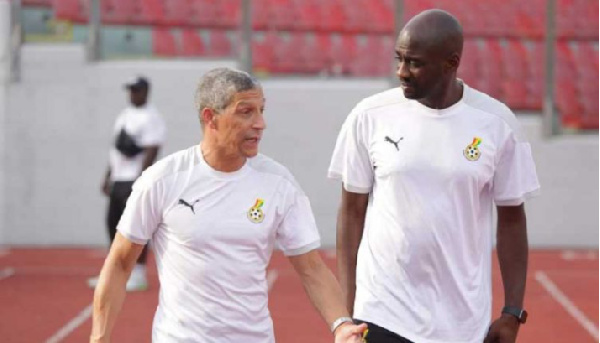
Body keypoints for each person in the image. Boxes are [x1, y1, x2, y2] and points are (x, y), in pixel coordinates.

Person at [90, 68, 367, 342]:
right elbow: (120, 263)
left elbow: (312, 267)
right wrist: (99, 338)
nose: (260, 123)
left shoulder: (279, 184)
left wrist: (341, 324)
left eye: (261, 110)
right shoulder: (163, 180)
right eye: (246, 112)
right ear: (210, 117)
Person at [328, 9, 540, 343]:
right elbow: (351, 212)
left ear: (451, 62)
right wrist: (346, 313)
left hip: (461, 323)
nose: (402, 71)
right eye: (398, 59)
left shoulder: (497, 124)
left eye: (414, 62)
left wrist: (512, 311)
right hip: (381, 312)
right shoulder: (369, 116)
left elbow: (512, 219)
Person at [88, 76, 166, 292]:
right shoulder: (124, 116)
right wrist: (107, 176)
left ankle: (138, 274)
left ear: (146, 92)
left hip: (133, 178)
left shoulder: (151, 117)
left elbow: (152, 149)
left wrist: (141, 180)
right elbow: (115, 150)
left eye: (136, 90)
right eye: (130, 90)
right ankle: (114, 273)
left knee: (135, 228)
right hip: (118, 179)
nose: (132, 94)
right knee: (113, 225)